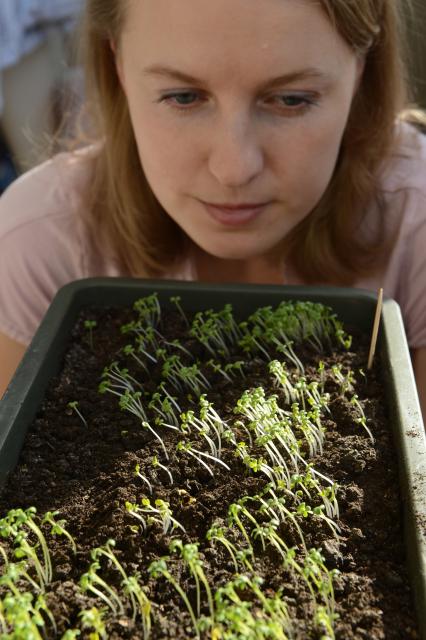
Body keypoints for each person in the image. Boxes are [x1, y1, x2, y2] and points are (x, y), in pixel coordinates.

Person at [0, 0, 425, 420]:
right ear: (120, 67)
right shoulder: (39, 243)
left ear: (360, 71)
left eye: (292, 100)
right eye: (182, 96)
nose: (234, 169)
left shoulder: (416, 223)